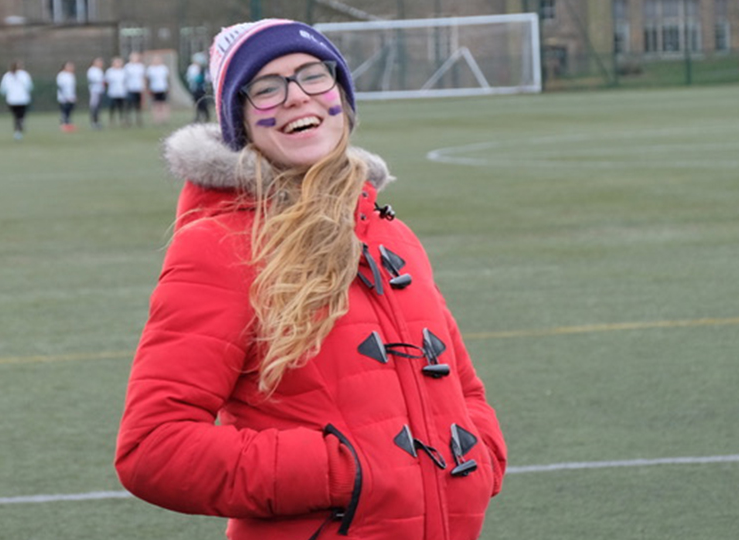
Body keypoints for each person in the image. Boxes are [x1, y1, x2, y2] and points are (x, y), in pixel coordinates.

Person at [114, 19, 507, 540]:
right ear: (240, 120)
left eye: (313, 76)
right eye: (267, 87)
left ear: (340, 97)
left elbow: (464, 389)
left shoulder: (392, 235)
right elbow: (153, 448)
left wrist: (479, 457)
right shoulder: (219, 246)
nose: (297, 97)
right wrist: (345, 470)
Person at [0, 61, 33, 140]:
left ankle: (18, 132)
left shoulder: (7, 76)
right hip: (23, 99)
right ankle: (20, 127)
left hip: (11, 100)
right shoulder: (24, 75)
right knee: (21, 116)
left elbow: (2, 89)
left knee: (16, 117)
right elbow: (30, 87)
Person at [185, 51, 210, 123]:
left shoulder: (204, 69)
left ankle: (206, 116)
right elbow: (190, 77)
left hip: (202, 89)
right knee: (196, 103)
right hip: (194, 89)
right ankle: (198, 116)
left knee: (203, 103)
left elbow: (207, 78)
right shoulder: (192, 68)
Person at [145, 54, 170, 124]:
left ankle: (164, 118)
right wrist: (148, 88)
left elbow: (167, 79)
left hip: (163, 88)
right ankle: (157, 119)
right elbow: (148, 80)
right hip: (154, 89)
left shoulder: (164, 68)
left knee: (164, 104)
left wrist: (168, 87)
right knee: (156, 104)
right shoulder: (150, 69)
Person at [123, 51, 146, 126]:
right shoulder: (127, 67)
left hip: (138, 89)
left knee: (138, 106)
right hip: (130, 88)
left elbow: (142, 78)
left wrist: (143, 87)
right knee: (129, 105)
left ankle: (138, 120)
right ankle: (127, 120)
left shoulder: (140, 66)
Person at [104, 57, 127, 127]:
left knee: (121, 107)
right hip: (113, 92)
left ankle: (122, 120)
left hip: (121, 92)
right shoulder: (109, 71)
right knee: (112, 107)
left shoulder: (123, 71)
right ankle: (111, 121)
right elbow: (106, 81)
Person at [56, 61, 77, 132]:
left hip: (71, 97)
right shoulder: (61, 75)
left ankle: (68, 124)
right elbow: (61, 87)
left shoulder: (71, 75)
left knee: (70, 111)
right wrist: (65, 96)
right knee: (64, 111)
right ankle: (63, 124)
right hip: (64, 97)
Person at [86, 57, 105, 129]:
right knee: (94, 106)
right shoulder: (92, 70)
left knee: (98, 107)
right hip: (94, 91)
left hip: (100, 90)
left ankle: (97, 121)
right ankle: (94, 122)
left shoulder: (99, 70)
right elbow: (95, 80)